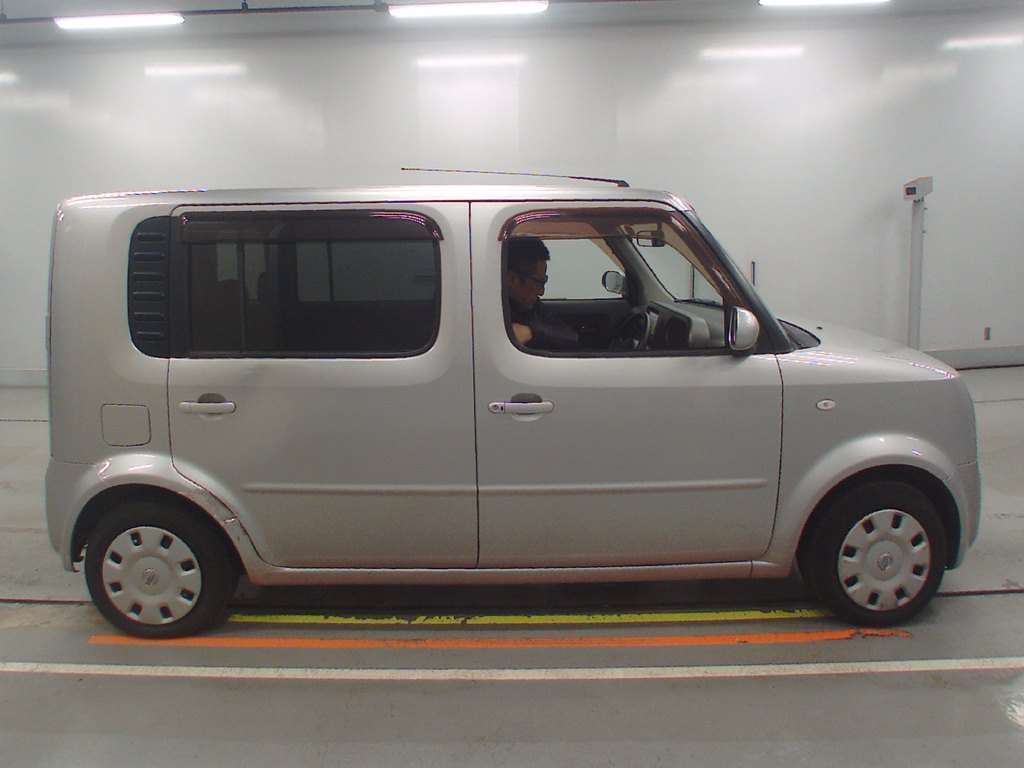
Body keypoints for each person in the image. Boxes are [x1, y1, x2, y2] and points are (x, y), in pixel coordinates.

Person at [505, 237, 579, 351]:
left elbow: (570, 337)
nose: (542, 292)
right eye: (539, 283)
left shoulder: (533, 307)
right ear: (512, 279)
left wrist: (531, 333)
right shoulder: (491, 312)